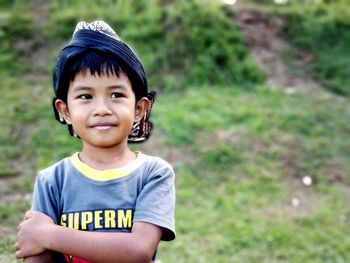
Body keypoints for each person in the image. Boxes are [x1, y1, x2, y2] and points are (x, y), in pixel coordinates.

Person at [15, 20, 176, 263]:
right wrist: (40, 239)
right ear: (65, 111)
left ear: (139, 109)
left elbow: (139, 251)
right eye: (85, 96)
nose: (102, 109)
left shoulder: (153, 174)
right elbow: (36, 254)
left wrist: (49, 234)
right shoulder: (52, 180)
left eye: (116, 95)